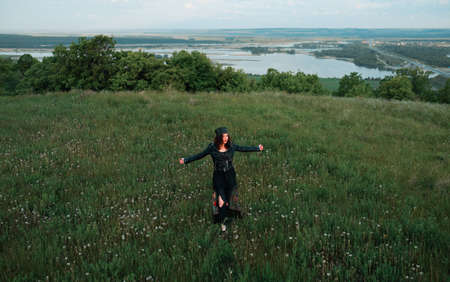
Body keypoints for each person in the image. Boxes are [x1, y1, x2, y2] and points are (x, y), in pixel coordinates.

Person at [179, 127, 263, 232]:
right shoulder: (212, 148)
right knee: (221, 200)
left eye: (227, 136)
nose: (226, 138)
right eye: (223, 136)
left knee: (230, 198)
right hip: (218, 176)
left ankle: (231, 216)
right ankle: (223, 223)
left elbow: (243, 148)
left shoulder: (231, 146)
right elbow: (199, 155)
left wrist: (257, 148)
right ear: (218, 137)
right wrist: (185, 160)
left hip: (230, 175)